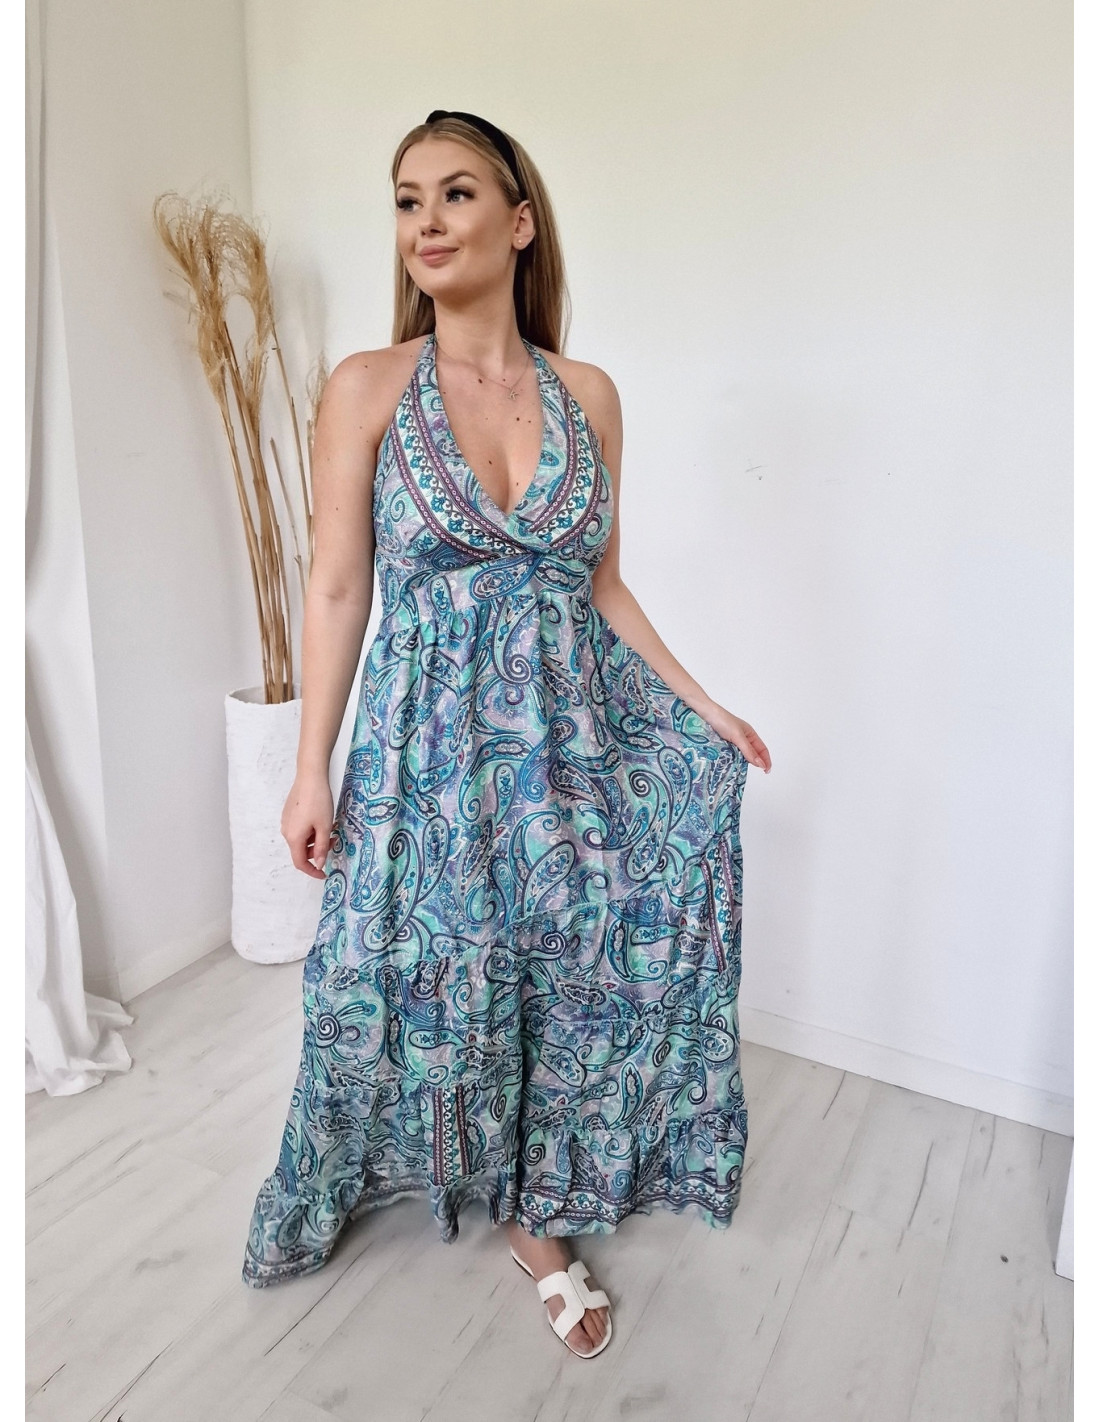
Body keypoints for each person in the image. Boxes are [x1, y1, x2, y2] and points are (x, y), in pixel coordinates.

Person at [241, 109, 772, 1360]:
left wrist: (702, 707)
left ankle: (540, 1220)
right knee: (391, 981)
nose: (425, 222)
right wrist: (309, 766)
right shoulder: (366, 386)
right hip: (422, 756)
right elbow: (337, 587)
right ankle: (387, 1167)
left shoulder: (589, 396)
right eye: (405, 199)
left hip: (565, 747)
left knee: (570, 969)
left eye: (455, 193)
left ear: (519, 222)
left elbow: (601, 585)